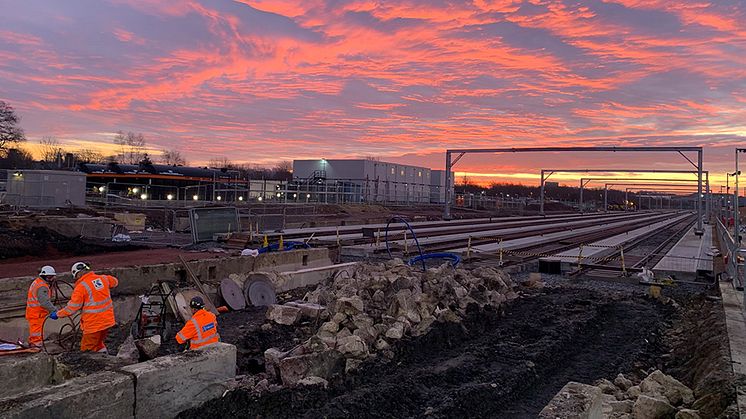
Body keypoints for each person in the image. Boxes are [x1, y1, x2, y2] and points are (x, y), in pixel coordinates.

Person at [52, 262, 118, 352]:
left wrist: (58, 314)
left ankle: (97, 364)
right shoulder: (103, 279)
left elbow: (72, 308)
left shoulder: (81, 287)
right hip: (107, 321)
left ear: (77, 274)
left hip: (93, 324)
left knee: (87, 350)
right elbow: (115, 282)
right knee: (98, 344)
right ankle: (105, 359)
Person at [25, 266, 59, 347]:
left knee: (36, 331)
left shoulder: (38, 282)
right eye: (49, 277)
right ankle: (36, 346)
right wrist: (54, 310)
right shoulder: (42, 286)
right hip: (37, 314)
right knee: (36, 333)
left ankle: (34, 344)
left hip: (34, 312)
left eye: (52, 277)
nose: (51, 279)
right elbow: (44, 302)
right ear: (44, 276)